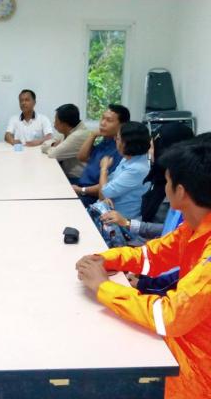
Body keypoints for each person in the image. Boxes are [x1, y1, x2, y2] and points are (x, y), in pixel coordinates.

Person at [76, 141, 211, 399]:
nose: (164, 187)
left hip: (198, 369)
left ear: (180, 192)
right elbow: (151, 256)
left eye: (166, 181)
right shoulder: (194, 226)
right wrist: (102, 259)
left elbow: (170, 316)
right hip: (185, 342)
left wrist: (104, 287)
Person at [72, 104, 130, 207]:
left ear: (122, 125)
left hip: (93, 197)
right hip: (82, 186)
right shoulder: (106, 140)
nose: (103, 123)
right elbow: (81, 157)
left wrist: (81, 190)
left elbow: (108, 186)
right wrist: (93, 135)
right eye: (102, 118)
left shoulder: (120, 149)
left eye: (109, 120)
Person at [141, 122, 194, 223]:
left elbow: (172, 227)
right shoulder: (158, 173)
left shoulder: (181, 183)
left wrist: (130, 224)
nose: (149, 151)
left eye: (152, 147)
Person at [97, 121, 151, 219]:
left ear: (125, 143)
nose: (115, 140)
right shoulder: (129, 159)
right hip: (107, 212)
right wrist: (106, 194)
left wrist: (104, 169)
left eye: (118, 138)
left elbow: (103, 193)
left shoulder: (137, 169)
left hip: (120, 222)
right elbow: (108, 184)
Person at [41, 104, 89, 179]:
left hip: (78, 179)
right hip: (66, 173)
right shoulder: (67, 130)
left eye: (56, 121)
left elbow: (53, 154)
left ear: (64, 124)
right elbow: (44, 145)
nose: (54, 124)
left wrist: (54, 147)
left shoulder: (78, 135)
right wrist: (53, 144)